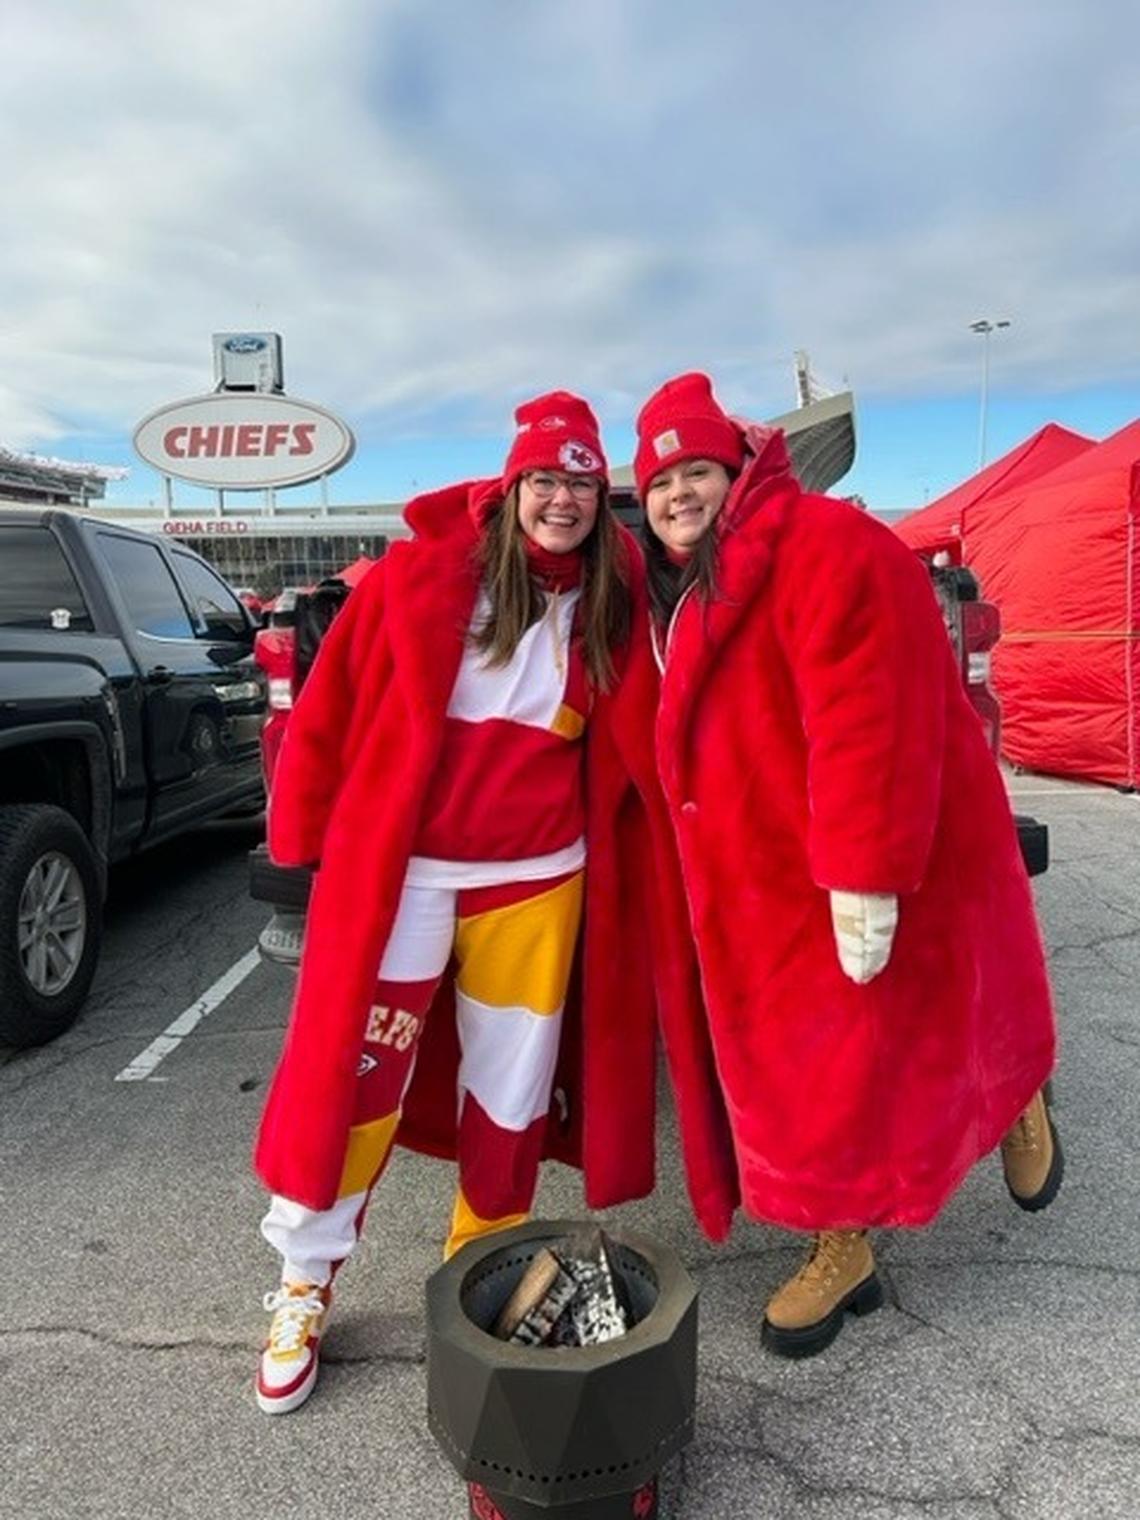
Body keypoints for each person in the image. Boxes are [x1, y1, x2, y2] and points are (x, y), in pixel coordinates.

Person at [630, 371, 1062, 1358]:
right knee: (820, 1073)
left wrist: (863, 872)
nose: (677, 495)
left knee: (915, 1028)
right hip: (770, 887)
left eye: (695, 469)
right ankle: (846, 1238)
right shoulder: (704, 590)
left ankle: (1013, 1095)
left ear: (736, 467)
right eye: (660, 483)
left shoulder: (824, 545)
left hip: (866, 858)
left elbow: (867, 712)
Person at [252, 391, 658, 1413]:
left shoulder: (613, 591)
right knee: (355, 1082)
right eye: (546, 478)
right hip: (409, 877)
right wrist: (298, 842)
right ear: (515, 483)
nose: (563, 498)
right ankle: (305, 1276)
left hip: (540, 878)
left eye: (581, 482)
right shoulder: (420, 579)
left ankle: (474, 1277)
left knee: (510, 1092)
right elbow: (332, 707)